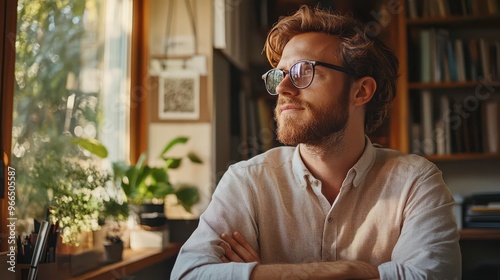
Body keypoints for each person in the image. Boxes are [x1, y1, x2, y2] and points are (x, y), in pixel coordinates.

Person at [171, 5, 461, 280]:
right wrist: (351, 271)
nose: (282, 89)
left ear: (360, 91)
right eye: (279, 75)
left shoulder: (415, 182)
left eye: (303, 72)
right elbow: (188, 274)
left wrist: (264, 274)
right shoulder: (247, 181)